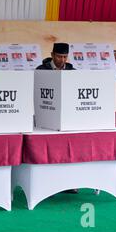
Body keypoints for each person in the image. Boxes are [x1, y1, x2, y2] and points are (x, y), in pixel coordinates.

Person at [36, 43, 78, 194]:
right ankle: (49, 182)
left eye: (65, 57)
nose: (62, 60)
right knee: (50, 149)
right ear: (52, 55)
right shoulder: (41, 71)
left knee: (68, 149)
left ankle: (69, 183)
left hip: (67, 117)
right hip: (47, 116)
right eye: (59, 56)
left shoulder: (72, 71)